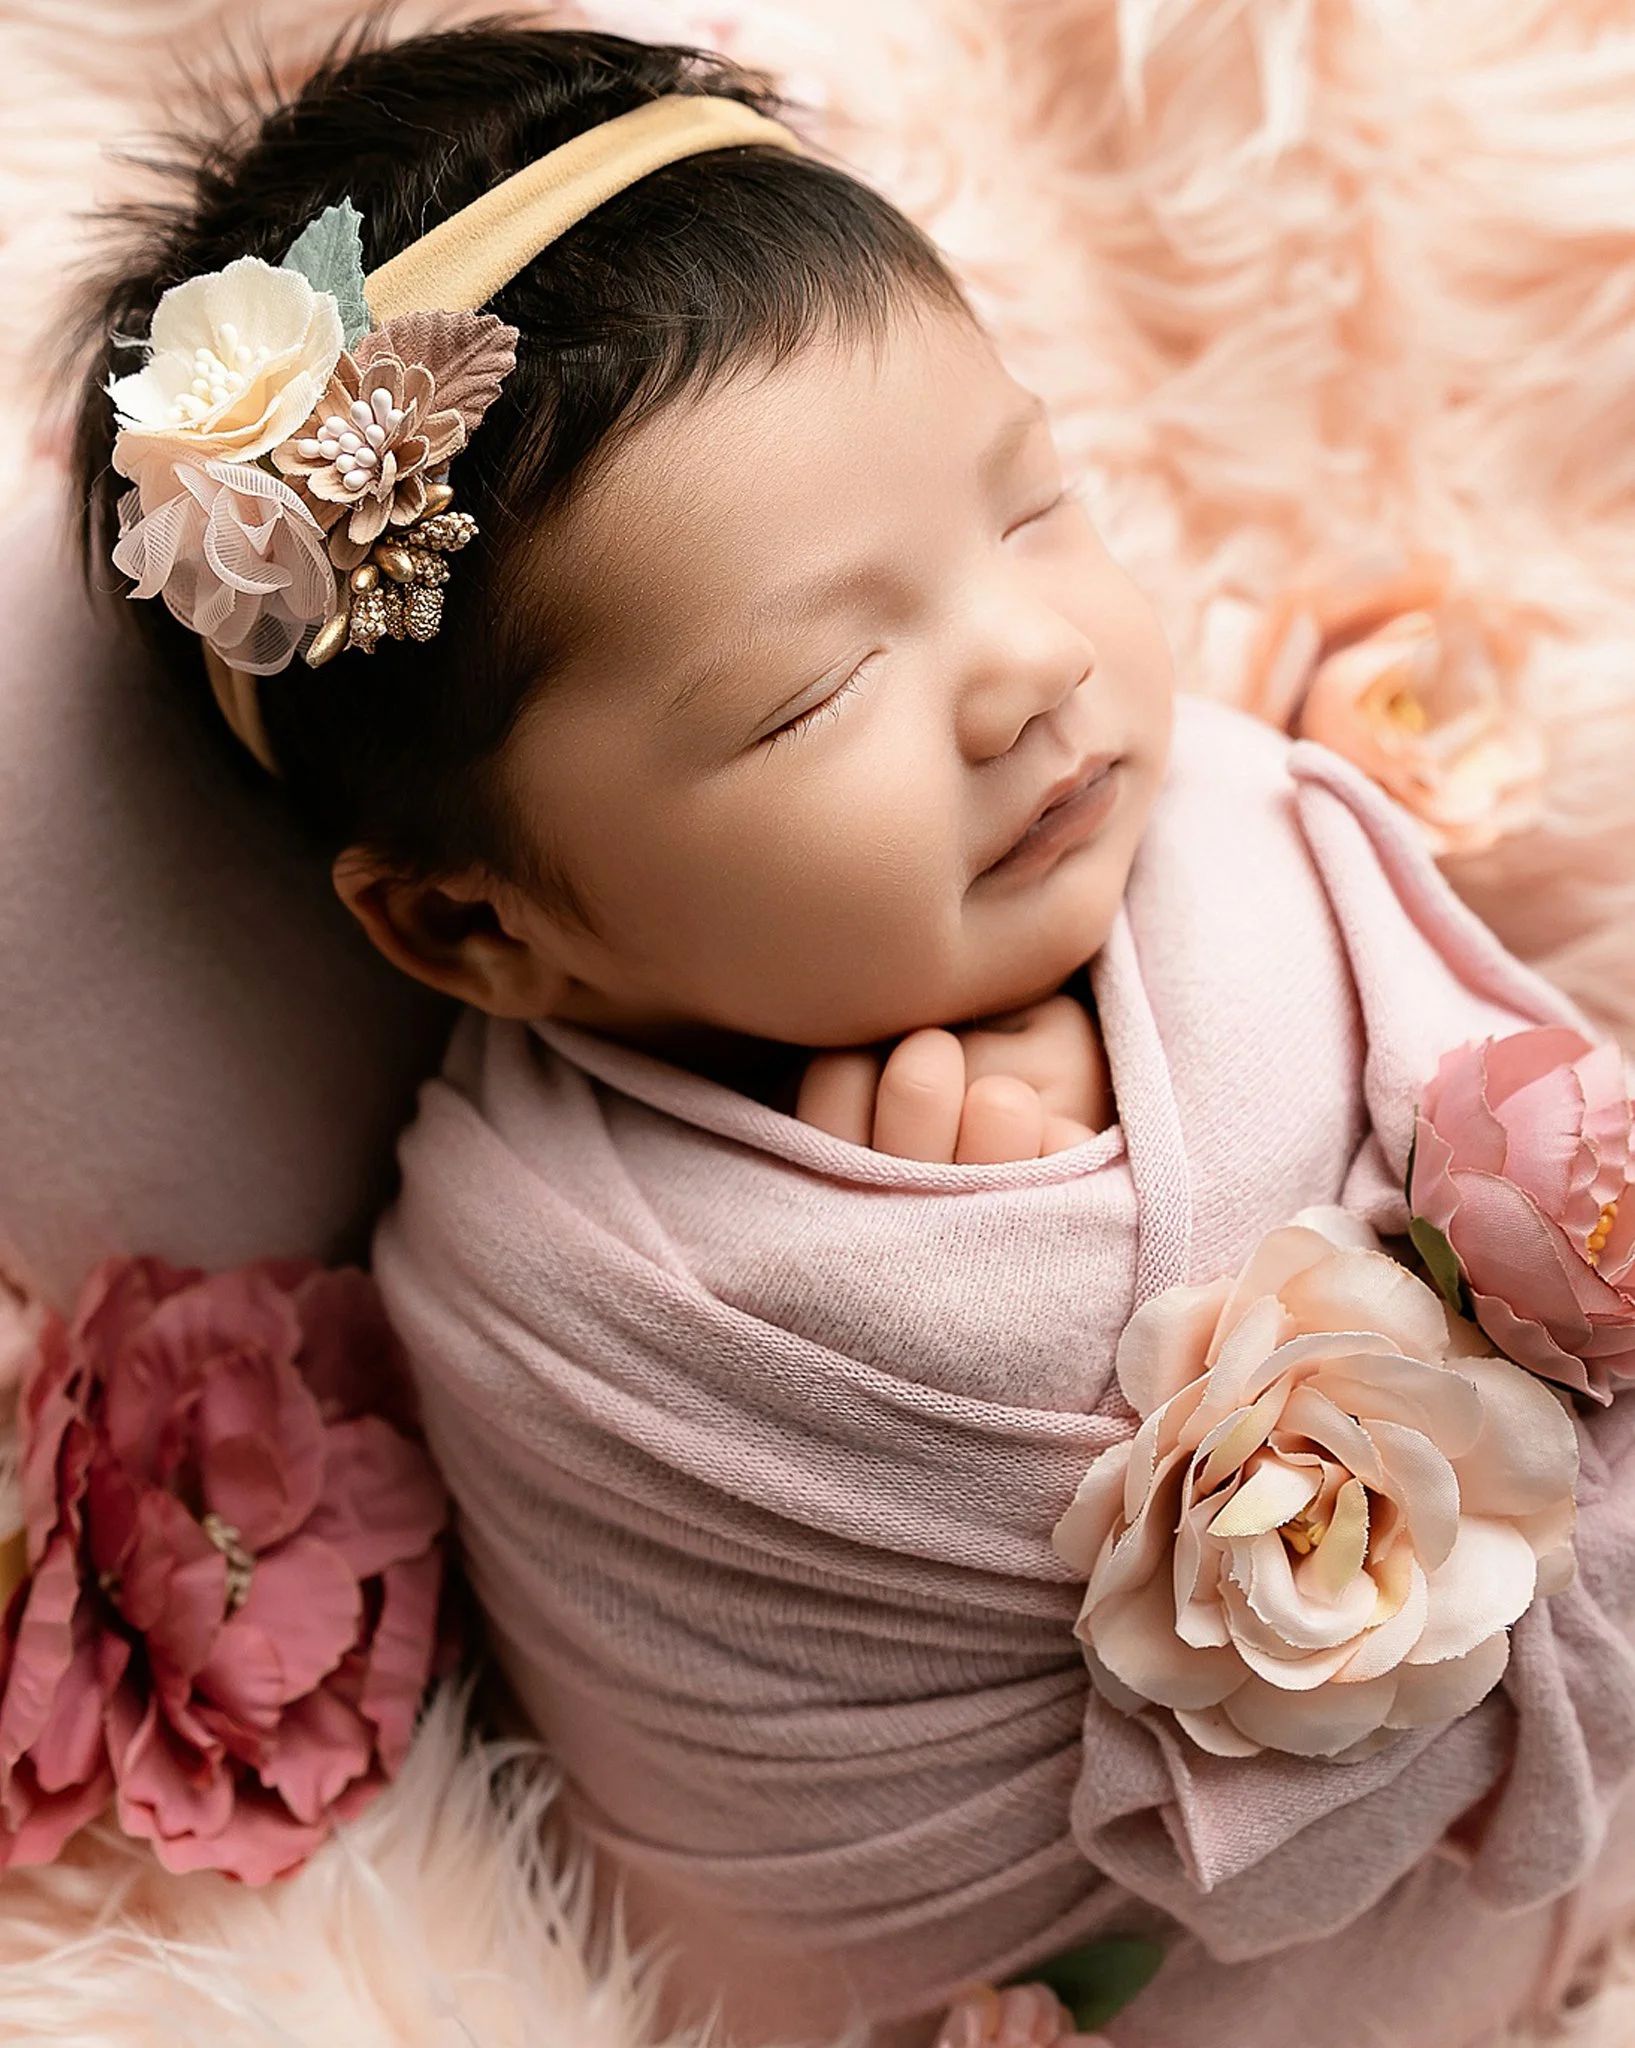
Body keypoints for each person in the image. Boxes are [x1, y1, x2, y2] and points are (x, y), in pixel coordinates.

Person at [71, 22, 1635, 2047]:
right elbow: (751, 1828)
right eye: (818, 693)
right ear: (481, 924)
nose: (1026, 667)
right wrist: (992, 1305)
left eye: (1030, 509)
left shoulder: (1249, 828)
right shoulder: (549, 1292)